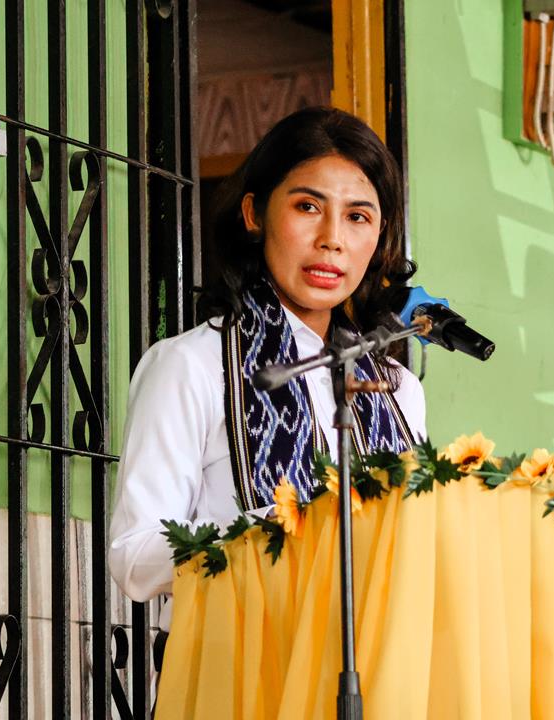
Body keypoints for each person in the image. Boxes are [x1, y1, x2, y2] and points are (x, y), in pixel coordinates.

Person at [108, 107, 428, 629]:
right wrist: (283, 526)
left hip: (373, 658)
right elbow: (134, 557)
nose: (332, 238)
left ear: (380, 235)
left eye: (357, 216)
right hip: (236, 661)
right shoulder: (192, 366)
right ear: (254, 214)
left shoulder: (396, 389)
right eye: (308, 206)